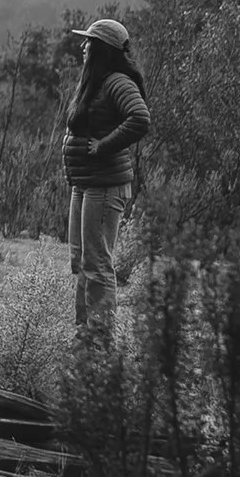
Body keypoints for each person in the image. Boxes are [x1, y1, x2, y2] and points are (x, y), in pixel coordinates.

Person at [60, 17, 151, 334]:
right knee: (82, 260)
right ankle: (85, 334)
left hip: (104, 185)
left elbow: (139, 119)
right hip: (85, 183)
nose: (83, 46)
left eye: (89, 42)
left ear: (102, 49)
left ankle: (99, 342)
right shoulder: (95, 81)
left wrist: (104, 146)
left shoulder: (117, 82)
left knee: (97, 263)